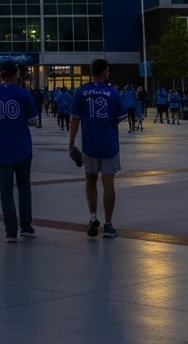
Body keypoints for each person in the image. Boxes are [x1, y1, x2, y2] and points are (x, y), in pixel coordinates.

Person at [68, 58, 127, 239]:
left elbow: (74, 119)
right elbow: (121, 117)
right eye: (107, 70)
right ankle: (108, 224)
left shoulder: (81, 91)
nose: (108, 73)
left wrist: (71, 145)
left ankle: (93, 216)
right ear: (103, 72)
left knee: (90, 180)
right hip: (109, 144)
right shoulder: (113, 92)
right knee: (108, 183)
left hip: (90, 144)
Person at [0, 60, 38, 242]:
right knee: (24, 187)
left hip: (0, 148)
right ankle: (26, 226)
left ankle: (11, 231)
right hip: (22, 147)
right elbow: (33, 121)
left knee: (5, 191)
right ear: (16, 74)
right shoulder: (24, 94)